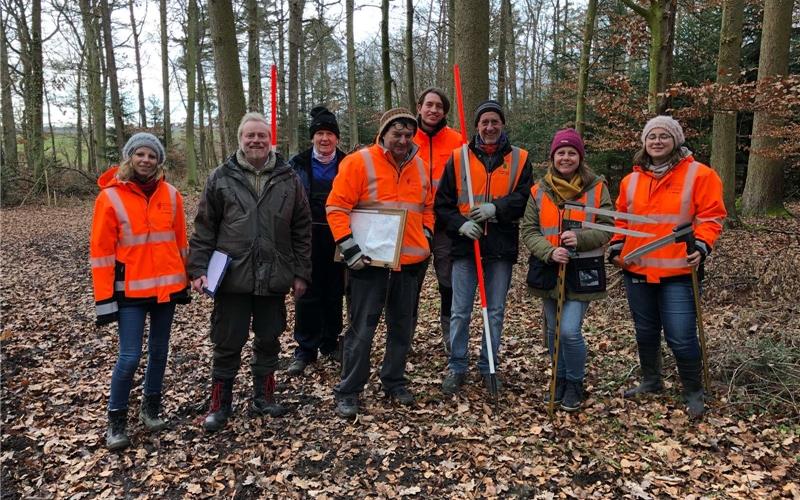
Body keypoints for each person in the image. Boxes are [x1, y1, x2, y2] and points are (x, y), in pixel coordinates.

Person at [188, 112, 312, 432]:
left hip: (274, 275)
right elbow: (204, 228)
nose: (256, 140)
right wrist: (199, 268)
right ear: (240, 139)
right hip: (232, 276)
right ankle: (220, 403)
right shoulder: (221, 177)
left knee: (269, 338)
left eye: (261, 135)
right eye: (249, 136)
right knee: (227, 341)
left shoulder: (288, 178)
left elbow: (302, 230)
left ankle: (264, 397)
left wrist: (301, 273)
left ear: (271, 140)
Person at [608, 115, 725, 418]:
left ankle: (693, 391)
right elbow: (623, 218)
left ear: (676, 140)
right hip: (637, 268)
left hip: (679, 270)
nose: (657, 141)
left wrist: (702, 246)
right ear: (644, 142)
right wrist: (617, 245)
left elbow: (711, 217)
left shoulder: (700, 175)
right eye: (651, 136)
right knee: (645, 331)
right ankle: (651, 380)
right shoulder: (630, 180)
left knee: (681, 334)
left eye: (663, 136)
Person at [327, 108, 434, 418]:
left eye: (407, 134)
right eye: (396, 133)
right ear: (383, 133)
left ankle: (394, 380)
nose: (402, 139)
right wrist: (350, 249)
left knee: (402, 328)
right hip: (368, 263)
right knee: (361, 329)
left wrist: (425, 234)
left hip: (411, 262)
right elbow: (335, 207)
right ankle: (349, 389)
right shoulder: (359, 162)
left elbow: (428, 207)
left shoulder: (422, 167)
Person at [90, 132, 190, 450]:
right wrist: (104, 299)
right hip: (129, 292)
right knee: (130, 356)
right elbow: (101, 253)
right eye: (140, 155)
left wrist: (185, 281)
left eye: (151, 156)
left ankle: (151, 408)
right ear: (129, 157)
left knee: (160, 352)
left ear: (159, 161)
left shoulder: (172, 196)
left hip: (166, 291)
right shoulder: (110, 197)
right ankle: (116, 420)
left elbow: (180, 244)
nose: (146, 160)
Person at [435, 99, 533, 395]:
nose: (489, 127)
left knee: (495, 311)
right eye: (484, 122)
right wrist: (460, 224)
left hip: (500, 247)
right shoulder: (458, 158)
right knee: (460, 310)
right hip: (466, 247)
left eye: (495, 122)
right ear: (477, 126)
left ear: (502, 124)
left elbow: (525, 197)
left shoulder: (519, 158)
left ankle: (488, 365)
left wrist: (496, 208)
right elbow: (442, 205)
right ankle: (457, 366)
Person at [520, 129, 613, 412]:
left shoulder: (597, 187)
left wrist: (581, 239)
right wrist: (549, 251)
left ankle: (574, 381)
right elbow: (529, 230)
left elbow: (608, 225)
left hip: (582, 269)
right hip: (549, 267)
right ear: (552, 157)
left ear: (580, 157)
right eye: (560, 152)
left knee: (569, 331)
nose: (566, 157)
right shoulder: (538, 190)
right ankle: (558, 377)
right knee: (552, 330)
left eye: (571, 152)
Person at [285, 106, 348, 376]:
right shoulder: (296, 164)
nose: (324, 139)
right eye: (320, 133)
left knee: (334, 292)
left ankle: (330, 342)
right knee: (307, 293)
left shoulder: (348, 163)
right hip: (306, 236)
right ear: (313, 137)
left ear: (337, 138)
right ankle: (305, 348)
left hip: (338, 236)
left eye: (329, 134)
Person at [413, 88, 464, 354]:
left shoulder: (457, 141)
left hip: (445, 223)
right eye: (429, 105)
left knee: (447, 282)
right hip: (413, 223)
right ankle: (404, 334)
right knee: (410, 282)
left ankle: (449, 334)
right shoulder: (405, 136)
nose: (433, 110)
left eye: (439, 107)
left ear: (445, 111)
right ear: (419, 107)